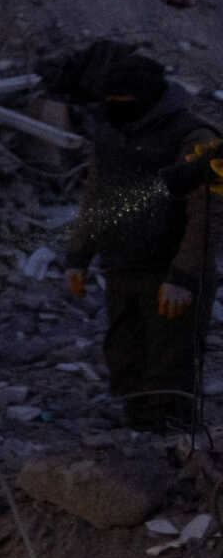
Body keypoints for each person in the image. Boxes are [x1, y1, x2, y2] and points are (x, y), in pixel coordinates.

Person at [49, 39, 218, 433]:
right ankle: (138, 438)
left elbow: (207, 213)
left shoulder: (194, 137)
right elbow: (96, 194)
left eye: (121, 99)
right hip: (123, 264)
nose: (113, 106)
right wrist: (78, 255)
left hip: (170, 269)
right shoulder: (110, 130)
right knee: (124, 355)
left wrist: (183, 276)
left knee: (169, 359)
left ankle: (174, 448)